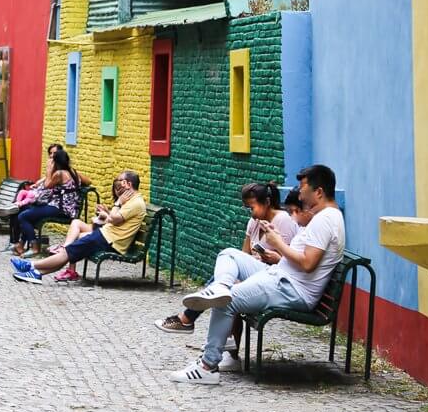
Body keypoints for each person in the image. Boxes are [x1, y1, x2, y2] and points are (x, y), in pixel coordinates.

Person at [169, 164, 345, 385]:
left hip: (291, 288)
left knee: (226, 302)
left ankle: (207, 366)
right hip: (280, 275)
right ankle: (221, 285)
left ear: (318, 192)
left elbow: (308, 264)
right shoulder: (326, 217)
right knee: (229, 254)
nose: (299, 193)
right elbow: (303, 257)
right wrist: (277, 239)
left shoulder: (325, 219)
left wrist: (278, 243)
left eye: (303, 188)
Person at [155, 182, 300, 371]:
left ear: (267, 202)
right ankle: (221, 347)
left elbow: (289, 262)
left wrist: (274, 257)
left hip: (273, 277)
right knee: (224, 285)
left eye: (252, 207)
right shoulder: (253, 222)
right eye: (248, 208)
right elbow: (244, 253)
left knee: (225, 288)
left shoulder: (284, 221)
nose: (251, 213)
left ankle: (187, 319)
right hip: (256, 273)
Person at [10, 170, 146, 284]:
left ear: (128, 184)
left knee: (68, 251)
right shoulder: (132, 200)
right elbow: (115, 220)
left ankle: (31, 265)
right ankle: (37, 273)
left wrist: (117, 203)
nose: (117, 183)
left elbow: (114, 219)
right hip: (106, 236)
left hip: (109, 240)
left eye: (120, 181)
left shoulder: (135, 202)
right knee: (69, 252)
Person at [9, 147, 90, 256]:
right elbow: (89, 181)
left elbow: (47, 185)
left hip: (59, 209)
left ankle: (34, 247)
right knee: (27, 211)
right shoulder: (74, 172)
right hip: (69, 209)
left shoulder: (59, 174)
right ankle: (21, 244)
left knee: (23, 216)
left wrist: (48, 170)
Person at [48, 177, 122, 283]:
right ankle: (65, 248)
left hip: (108, 234)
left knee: (80, 236)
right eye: (116, 188)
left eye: (119, 188)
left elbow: (117, 223)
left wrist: (105, 215)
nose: (118, 191)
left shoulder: (126, 203)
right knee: (76, 222)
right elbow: (113, 219)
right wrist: (105, 212)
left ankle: (70, 268)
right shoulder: (119, 202)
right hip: (103, 229)